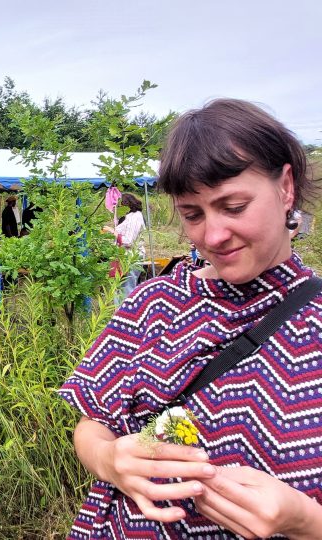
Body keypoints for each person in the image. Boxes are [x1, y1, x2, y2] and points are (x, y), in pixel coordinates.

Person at [59, 98, 322, 538]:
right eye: (192, 215)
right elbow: (91, 425)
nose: (213, 236)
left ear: (286, 188)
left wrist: (304, 520)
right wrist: (110, 461)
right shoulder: (153, 303)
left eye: (234, 206)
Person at [105, 192, 146, 300]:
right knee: (117, 288)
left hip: (131, 257)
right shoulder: (126, 217)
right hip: (121, 256)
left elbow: (129, 241)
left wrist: (112, 231)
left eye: (117, 205)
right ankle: (118, 313)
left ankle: (127, 314)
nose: (115, 209)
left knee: (127, 288)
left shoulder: (135, 216)